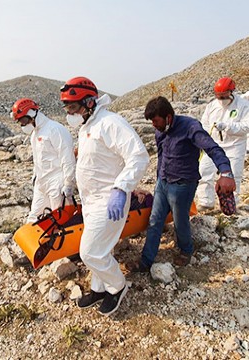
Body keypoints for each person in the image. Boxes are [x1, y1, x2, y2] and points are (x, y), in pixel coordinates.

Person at [60, 76, 149, 315]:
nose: (70, 113)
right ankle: (99, 288)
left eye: (73, 107)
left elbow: (139, 156)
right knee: (102, 248)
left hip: (110, 202)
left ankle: (118, 286)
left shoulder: (111, 122)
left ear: (90, 102)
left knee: (89, 252)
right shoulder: (87, 126)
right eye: (67, 108)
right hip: (91, 202)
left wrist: (121, 188)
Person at [127, 96, 236, 273]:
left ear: (168, 116)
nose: (154, 125)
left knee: (180, 221)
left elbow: (213, 149)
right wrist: (158, 179)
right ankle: (145, 262)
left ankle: (186, 250)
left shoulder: (191, 127)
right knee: (154, 221)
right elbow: (161, 156)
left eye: (156, 121)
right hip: (163, 183)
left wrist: (225, 172)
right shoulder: (159, 131)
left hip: (183, 185)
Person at [11, 98, 76, 223]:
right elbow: (38, 159)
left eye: (24, 120)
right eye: (20, 122)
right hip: (41, 182)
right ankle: (35, 241)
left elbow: (67, 158)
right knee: (34, 218)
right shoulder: (35, 134)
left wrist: (68, 183)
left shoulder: (55, 129)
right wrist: (35, 176)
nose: (23, 125)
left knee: (60, 219)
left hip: (56, 182)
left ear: (32, 113)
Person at [196, 77, 249, 211]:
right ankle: (206, 201)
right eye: (218, 96)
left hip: (234, 145)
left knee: (233, 174)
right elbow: (204, 124)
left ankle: (230, 204)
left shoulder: (244, 105)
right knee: (204, 171)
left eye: (224, 96)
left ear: (231, 92)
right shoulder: (211, 106)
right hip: (214, 145)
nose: (221, 99)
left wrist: (229, 126)